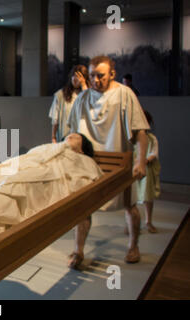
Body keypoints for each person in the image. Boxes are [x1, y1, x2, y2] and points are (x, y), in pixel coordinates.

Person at [68, 55, 150, 267]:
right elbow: (73, 133)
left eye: (101, 76)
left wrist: (140, 161)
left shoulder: (125, 94)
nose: (96, 80)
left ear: (112, 74)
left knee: (129, 205)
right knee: (83, 208)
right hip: (90, 163)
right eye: (93, 75)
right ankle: (78, 251)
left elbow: (140, 131)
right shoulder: (83, 99)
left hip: (120, 161)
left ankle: (133, 245)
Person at [49, 65, 89, 143]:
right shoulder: (61, 95)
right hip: (66, 137)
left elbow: (88, 104)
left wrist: (84, 85)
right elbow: (55, 119)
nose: (75, 78)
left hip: (83, 139)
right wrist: (53, 137)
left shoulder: (89, 95)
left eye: (79, 76)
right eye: (73, 75)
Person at [135, 110, 160, 233]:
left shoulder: (151, 138)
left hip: (146, 170)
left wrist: (143, 161)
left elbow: (153, 153)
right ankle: (132, 223)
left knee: (147, 196)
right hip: (133, 170)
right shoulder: (131, 139)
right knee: (131, 197)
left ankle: (148, 221)